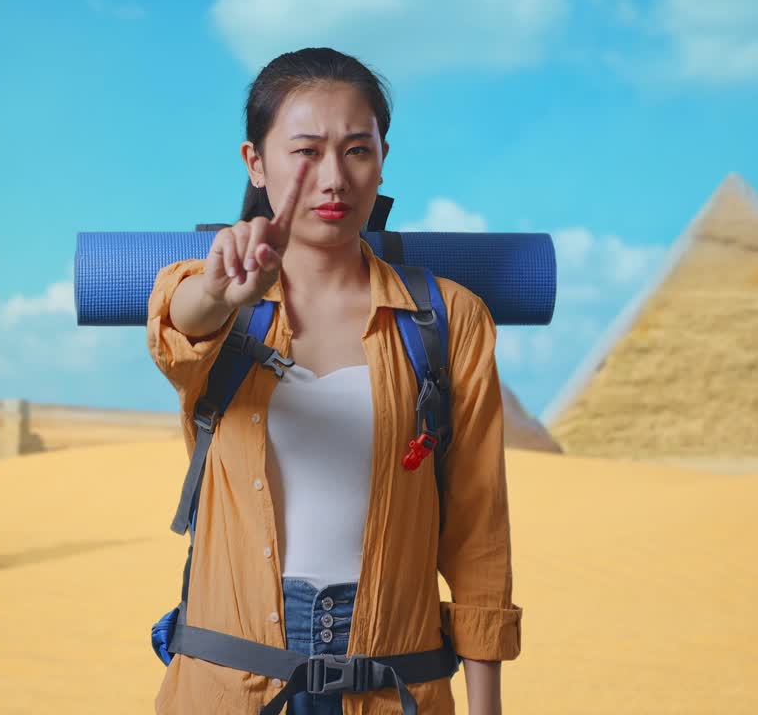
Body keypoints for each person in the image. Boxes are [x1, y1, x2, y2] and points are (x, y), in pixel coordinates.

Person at [147, 47, 521, 715]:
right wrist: (221, 290)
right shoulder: (211, 295)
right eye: (306, 151)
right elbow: (181, 322)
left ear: (382, 159)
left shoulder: (448, 318)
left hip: (396, 683)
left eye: (356, 150)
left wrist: (488, 705)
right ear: (255, 163)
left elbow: (478, 526)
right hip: (229, 687)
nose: (334, 179)